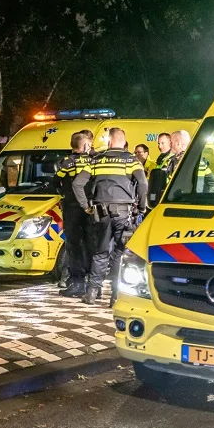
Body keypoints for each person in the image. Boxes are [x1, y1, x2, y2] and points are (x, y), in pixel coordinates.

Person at [73, 128, 147, 306]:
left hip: (100, 212)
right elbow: (143, 183)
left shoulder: (96, 160)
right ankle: (116, 296)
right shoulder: (131, 160)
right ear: (123, 141)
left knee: (100, 252)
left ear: (110, 142)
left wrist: (85, 206)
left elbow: (77, 183)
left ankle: (91, 294)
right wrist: (141, 208)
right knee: (119, 254)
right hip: (124, 213)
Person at [54, 133, 93, 298]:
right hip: (91, 208)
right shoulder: (94, 161)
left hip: (72, 208)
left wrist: (64, 193)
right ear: (85, 146)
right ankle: (93, 285)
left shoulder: (66, 163)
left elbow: (55, 182)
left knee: (74, 245)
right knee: (91, 244)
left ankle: (77, 283)